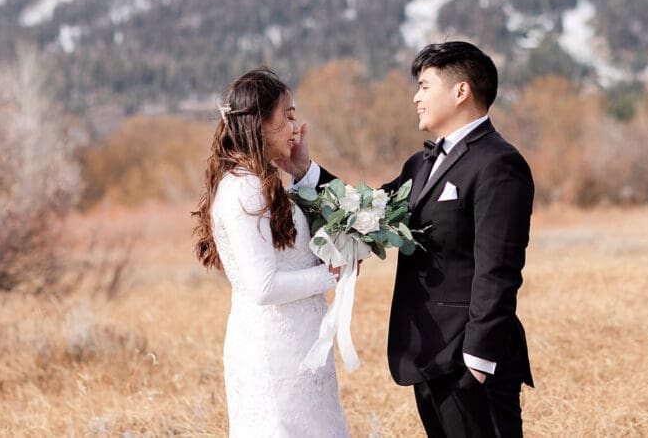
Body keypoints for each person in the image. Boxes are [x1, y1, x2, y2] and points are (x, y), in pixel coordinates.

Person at [285, 41, 534, 436]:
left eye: (424, 86)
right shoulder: (420, 164)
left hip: (471, 358)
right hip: (427, 354)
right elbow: (366, 213)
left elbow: (499, 269)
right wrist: (305, 171)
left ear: (461, 91)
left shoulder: (499, 163)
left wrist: (478, 361)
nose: (416, 97)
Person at [192, 68, 350, 437]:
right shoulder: (245, 189)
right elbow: (263, 287)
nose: (297, 127)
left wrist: (302, 171)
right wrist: (332, 274)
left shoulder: (265, 182)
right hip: (274, 352)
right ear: (261, 124)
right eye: (289, 116)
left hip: (300, 346)